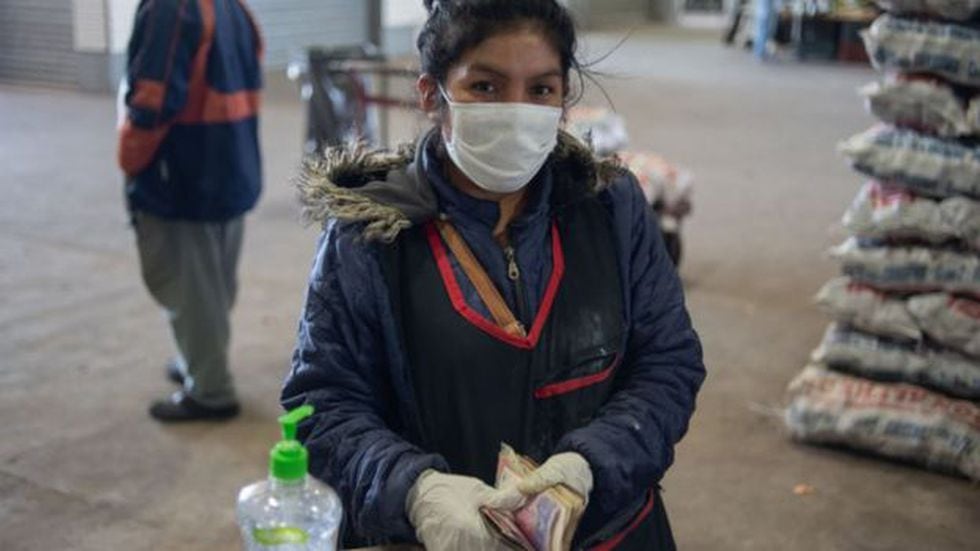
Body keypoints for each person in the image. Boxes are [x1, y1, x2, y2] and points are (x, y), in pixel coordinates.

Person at [281, 0, 705, 548]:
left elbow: (668, 362)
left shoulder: (610, 209)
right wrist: (415, 490)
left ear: (563, 97)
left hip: (610, 532)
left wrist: (591, 464)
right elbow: (323, 403)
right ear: (432, 94)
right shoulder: (369, 234)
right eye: (485, 87)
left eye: (541, 90)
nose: (515, 109)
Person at [118, 0, 263, 422]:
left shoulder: (170, 7)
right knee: (213, 282)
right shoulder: (232, 7)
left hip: (183, 171)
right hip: (229, 164)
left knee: (189, 285)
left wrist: (131, 156)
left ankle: (211, 390)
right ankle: (194, 360)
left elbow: (153, 96)